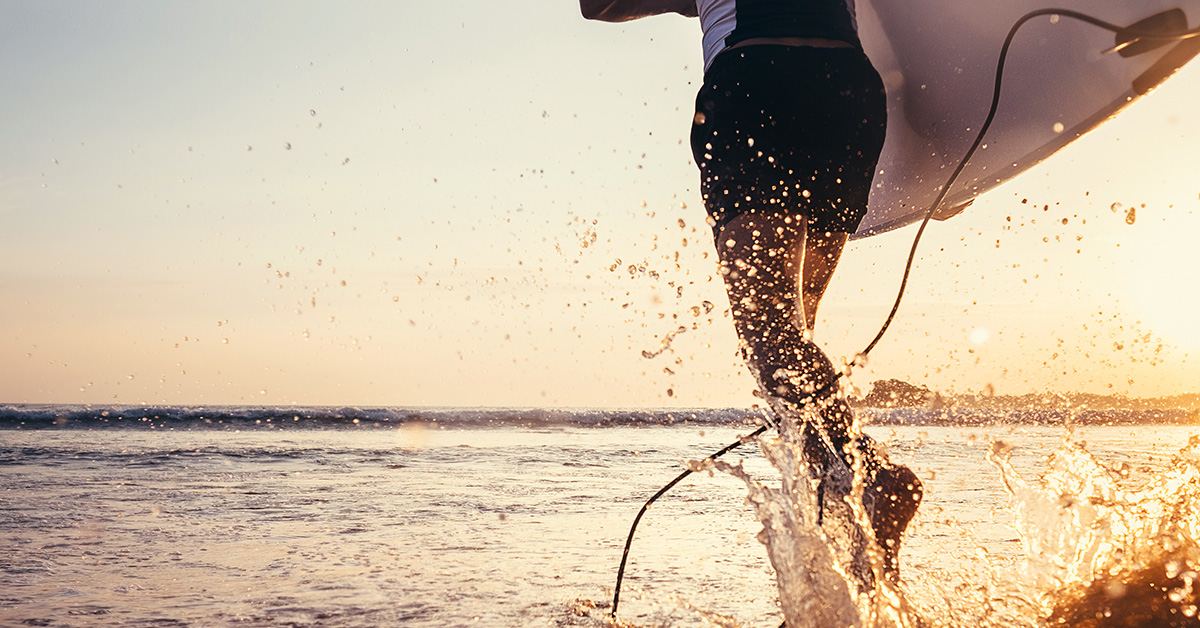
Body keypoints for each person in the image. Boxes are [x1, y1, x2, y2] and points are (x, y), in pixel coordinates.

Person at [580, 0, 921, 579]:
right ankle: (854, 553)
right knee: (793, 340)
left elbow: (600, 5)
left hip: (758, 80)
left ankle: (874, 477)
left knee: (769, 335)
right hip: (848, 93)